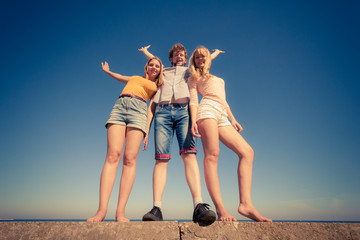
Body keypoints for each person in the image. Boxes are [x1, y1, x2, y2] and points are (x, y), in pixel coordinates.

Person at [138, 44, 223, 224]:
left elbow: (203, 59)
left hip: (185, 112)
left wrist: (214, 54)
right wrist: (146, 53)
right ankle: (156, 208)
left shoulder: (190, 72)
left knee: (189, 155)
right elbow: (155, 63)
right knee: (161, 159)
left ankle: (198, 206)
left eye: (183, 55)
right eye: (176, 55)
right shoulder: (163, 72)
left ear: (187, 58)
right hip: (162, 113)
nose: (179, 57)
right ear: (171, 58)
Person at [188, 46, 272, 222]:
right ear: (194, 61)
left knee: (247, 152)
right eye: (197, 57)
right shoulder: (194, 77)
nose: (201, 59)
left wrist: (233, 119)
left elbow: (224, 101)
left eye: (204, 56)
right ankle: (221, 210)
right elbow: (194, 101)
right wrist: (194, 121)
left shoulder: (218, 79)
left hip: (222, 114)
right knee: (212, 155)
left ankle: (246, 204)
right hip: (207, 111)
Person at [87, 57, 163, 222]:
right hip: (120, 107)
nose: (154, 67)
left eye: (157, 66)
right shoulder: (135, 78)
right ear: (147, 66)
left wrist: (148, 130)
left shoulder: (157, 86)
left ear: (160, 70)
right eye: (151, 64)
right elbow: (119, 76)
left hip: (139, 111)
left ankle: (120, 212)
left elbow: (152, 108)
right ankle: (101, 211)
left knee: (129, 160)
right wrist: (107, 71)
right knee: (113, 155)